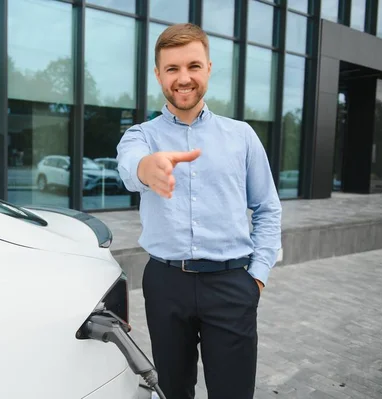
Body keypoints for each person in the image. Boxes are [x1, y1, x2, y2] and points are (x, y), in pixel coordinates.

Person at [116, 23, 281, 399]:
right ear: (158, 75)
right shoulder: (141, 136)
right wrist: (148, 169)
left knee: (233, 392)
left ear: (208, 68)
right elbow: (131, 167)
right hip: (165, 283)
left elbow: (268, 208)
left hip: (232, 284)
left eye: (193, 66)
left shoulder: (242, 136)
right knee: (173, 391)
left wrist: (257, 276)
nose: (183, 78)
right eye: (172, 69)